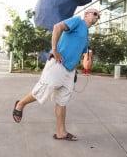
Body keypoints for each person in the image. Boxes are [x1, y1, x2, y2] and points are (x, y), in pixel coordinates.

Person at [12, 8, 100, 141]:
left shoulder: (86, 35)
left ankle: (61, 133)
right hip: (58, 64)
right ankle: (20, 104)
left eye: (98, 16)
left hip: (70, 72)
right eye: (95, 13)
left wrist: (84, 63)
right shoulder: (77, 21)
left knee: (62, 101)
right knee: (43, 90)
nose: (97, 16)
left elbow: (82, 57)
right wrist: (54, 50)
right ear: (86, 14)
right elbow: (57, 27)